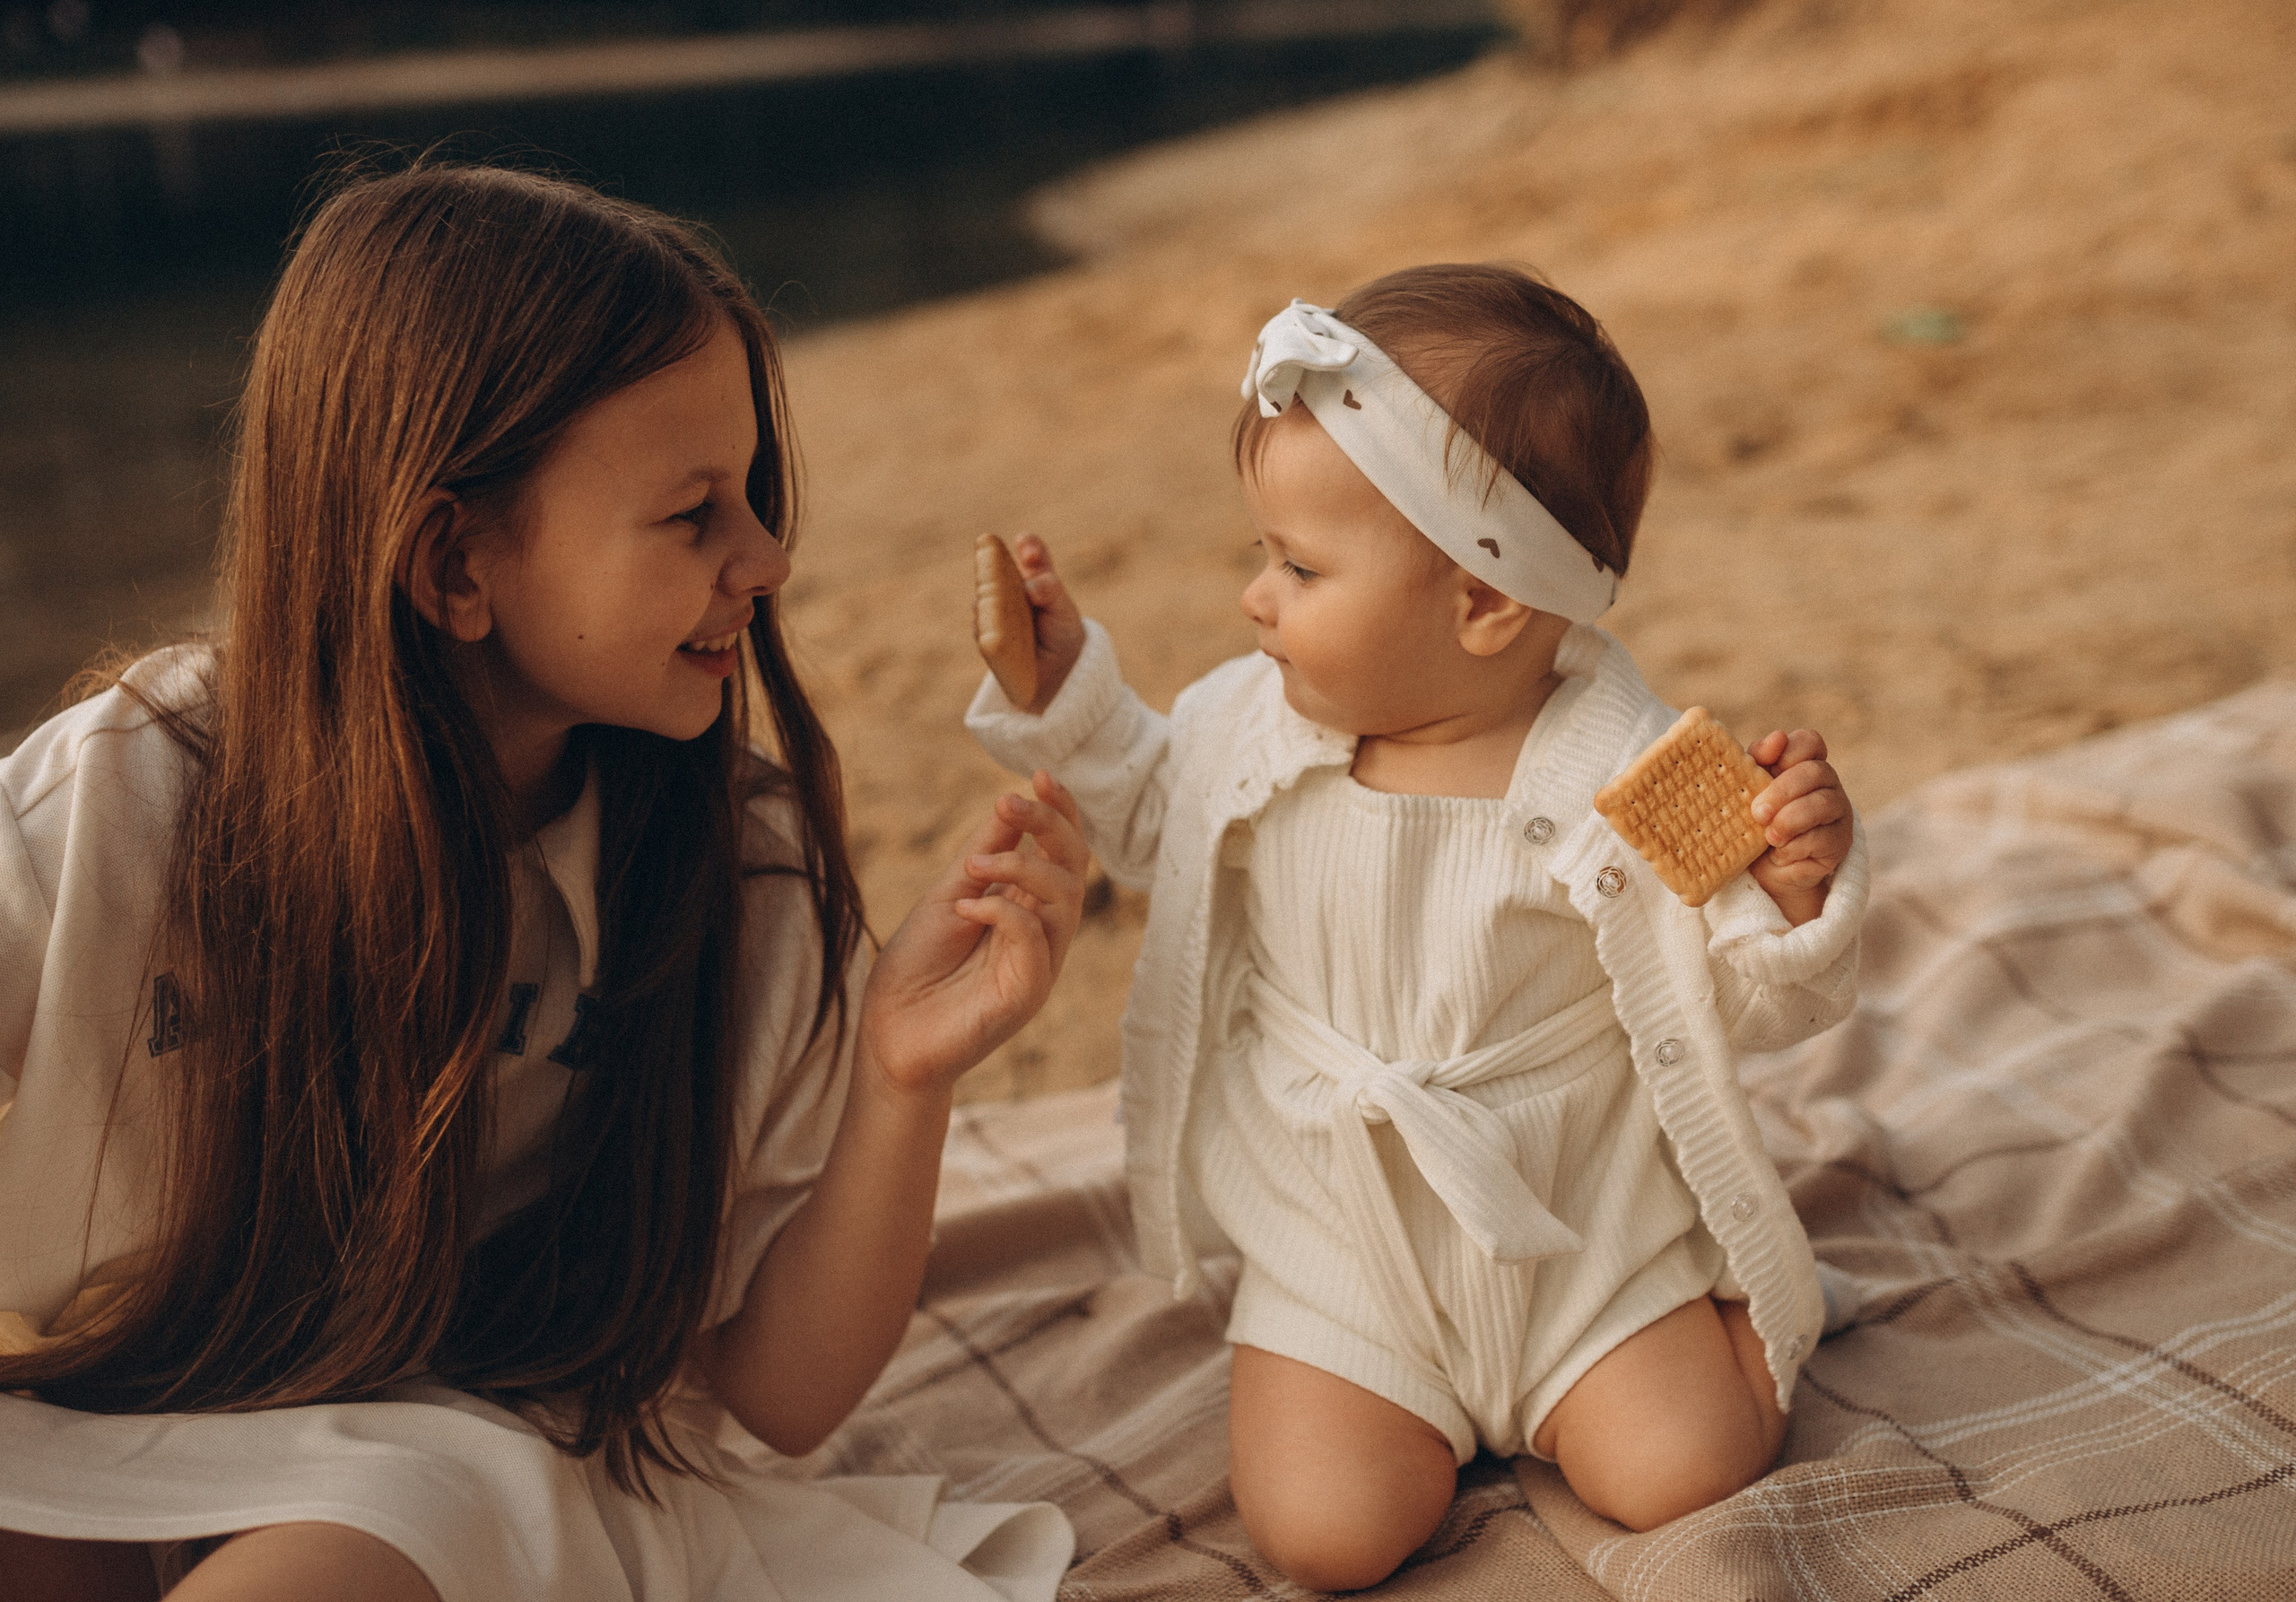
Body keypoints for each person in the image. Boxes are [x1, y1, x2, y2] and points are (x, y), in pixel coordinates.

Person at [0, 163, 1088, 1602]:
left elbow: (777, 1393)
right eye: (695, 513)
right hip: (126, 1419)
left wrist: (904, 1077)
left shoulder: (738, 877)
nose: (765, 559)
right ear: (455, 564)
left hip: (458, 1477)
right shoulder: (138, 791)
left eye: (753, 494)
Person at [967, 265, 1866, 1591]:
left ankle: (1721, 1310)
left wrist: (1790, 889)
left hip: (1578, 1228)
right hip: (1344, 1239)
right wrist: (1066, 694)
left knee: (1682, 1468)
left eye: (1297, 564)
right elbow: (1158, 810)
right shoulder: (1253, 728)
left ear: (1486, 604)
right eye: (1263, 554)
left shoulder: (1618, 768)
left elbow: (1744, 998)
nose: (1253, 598)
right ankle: (1389, 1383)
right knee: (1324, 1532)